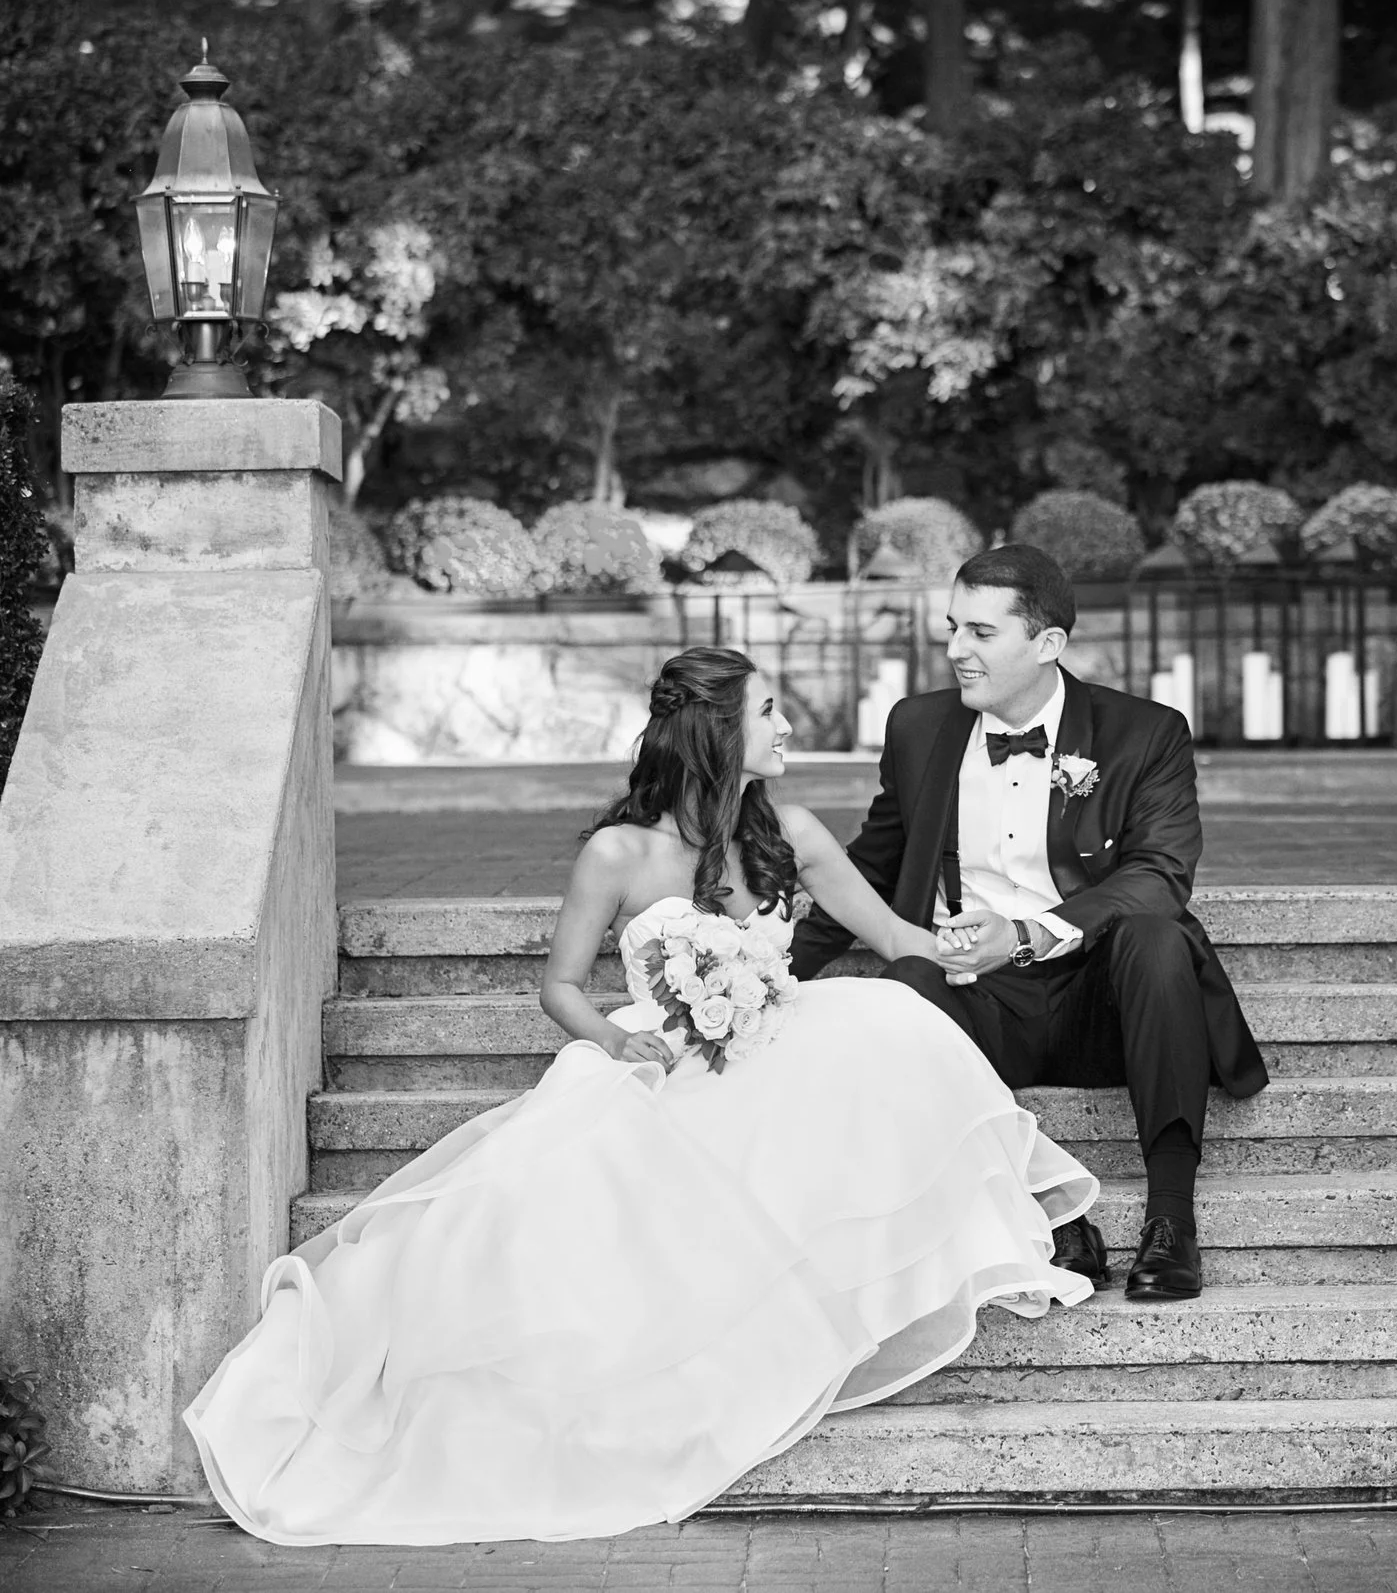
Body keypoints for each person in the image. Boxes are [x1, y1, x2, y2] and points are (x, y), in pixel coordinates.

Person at [185, 647, 1099, 1546]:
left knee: (890, 1019)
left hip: (776, 1044)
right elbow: (561, 986)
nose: (787, 727)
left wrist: (997, 940)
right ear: (718, 733)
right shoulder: (617, 851)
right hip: (659, 1056)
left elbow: (897, 933)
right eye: (769, 711)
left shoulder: (795, 833)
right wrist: (618, 1039)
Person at [790, 544, 1267, 1301]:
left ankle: (1171, 1218)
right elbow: (871, 866)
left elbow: (1160, 875)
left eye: (980, 633)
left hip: (1103, 996)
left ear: (1047, 644)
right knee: (904, 980)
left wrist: (1027, 932)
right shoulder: (919, 728)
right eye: (952, 628)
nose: (954, 650)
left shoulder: (1143, 733)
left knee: (1157, 933)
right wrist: (764, 971)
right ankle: (1049, 1208)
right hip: (974, 997)